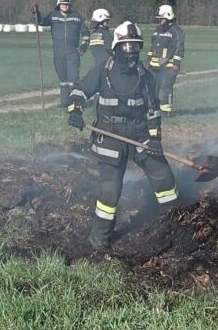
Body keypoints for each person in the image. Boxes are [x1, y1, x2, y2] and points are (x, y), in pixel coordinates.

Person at [67, 20, 178, 249]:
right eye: (126, 46)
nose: (131, 52)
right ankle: (99, 239)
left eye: (135, 46)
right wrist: (75, 111)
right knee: (110, 191)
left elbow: (153, 110)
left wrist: (155, 138)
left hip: (139, 134)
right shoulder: (103, 70)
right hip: (110, 136)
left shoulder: (146, 76)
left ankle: (174, 224)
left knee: (164, 177)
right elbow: (79, 90)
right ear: (116, 47)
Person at [35, 0, 84, 106]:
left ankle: (74, 103)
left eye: (67, 4)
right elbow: (41, 21)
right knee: (63, 79)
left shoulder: (77, 17)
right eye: (63, 4)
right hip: (58, 53)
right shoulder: (53, 15)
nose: (65, 6)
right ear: (59, 4)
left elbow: (86, 32)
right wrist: (36, 13)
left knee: (73, 78)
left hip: (73, 53)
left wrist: (84, 46)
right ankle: (64, 103)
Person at [147, 4, 185, 113]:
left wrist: (176, 64)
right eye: (159, 19)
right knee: (152, 89)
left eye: (162, 19)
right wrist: (149, 59)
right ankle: (153, 109)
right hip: (154, 67)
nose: (160, 21)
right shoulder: (157, 30)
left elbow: (179, 48)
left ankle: (165, 111)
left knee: (165, 88)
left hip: (168, 67)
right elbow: (153, 46)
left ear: (168, 17)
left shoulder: (176, 31)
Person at [81, 7, 111, 73]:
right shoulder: (105, 33)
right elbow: (110, 48)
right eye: (106, 21)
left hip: (96, 65)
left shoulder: (93, 34)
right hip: (107, 65)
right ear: (101, 21)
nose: (107, 23)